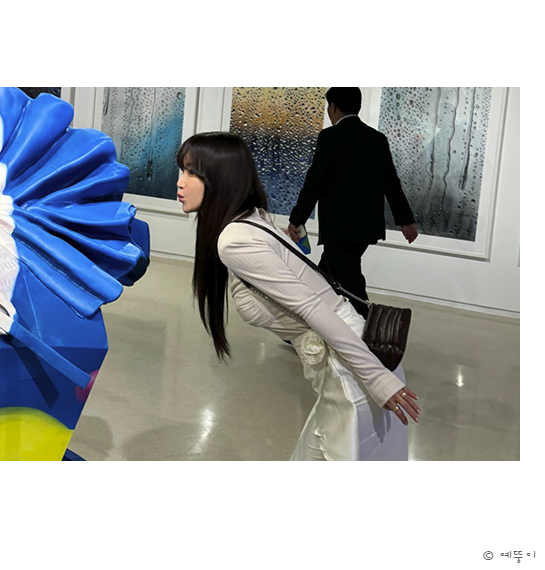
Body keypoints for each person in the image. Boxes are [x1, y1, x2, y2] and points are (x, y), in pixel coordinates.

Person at [177, 132, 420, 461]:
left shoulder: (234, 239)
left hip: (351, 366)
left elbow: (312, 307)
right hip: (354, 355)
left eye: (191, 172)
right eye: (182, 170)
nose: (180, 182)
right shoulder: (252, 219)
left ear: (221, 178)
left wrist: (377, 378)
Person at [288, 87, 418, 318]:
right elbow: (391, 183)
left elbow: (314, 182)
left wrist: (297, 219)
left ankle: (370, 328)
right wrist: (405, 221)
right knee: (325, 277)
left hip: (339, 228)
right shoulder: (377, 139)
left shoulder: (330, 137)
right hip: (367, 226)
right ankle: (315, 322)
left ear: (333, 107)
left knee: (350, 285)